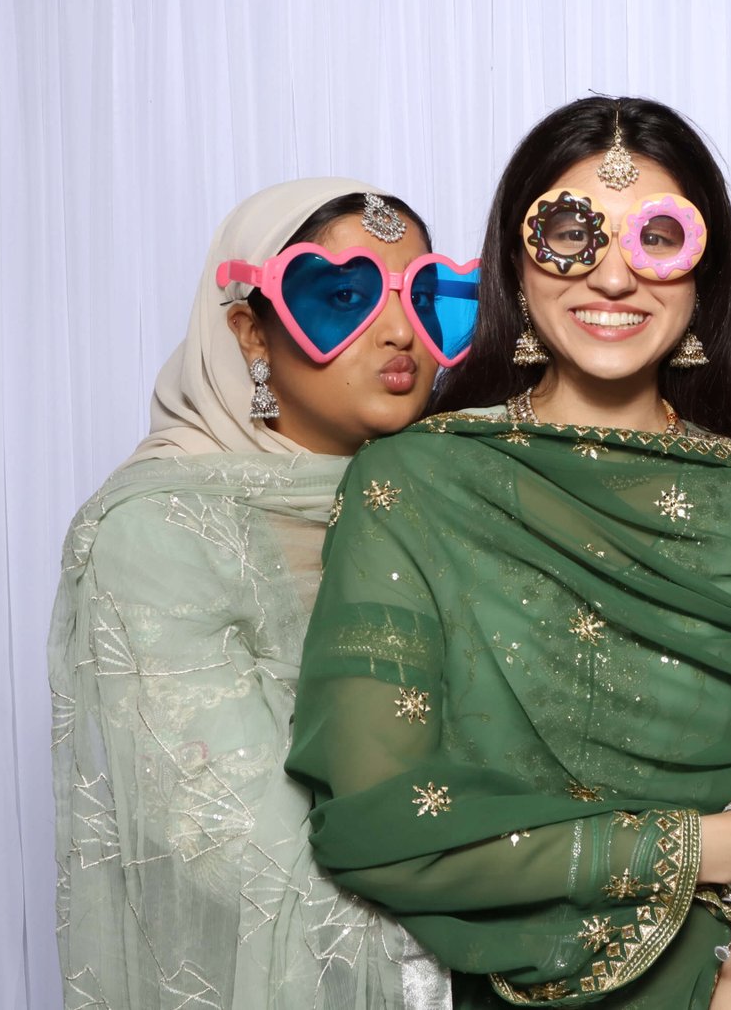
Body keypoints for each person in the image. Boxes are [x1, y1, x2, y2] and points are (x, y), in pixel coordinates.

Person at [286, 97, 731, 1009]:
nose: (612, 278)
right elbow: (383, 824)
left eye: (658, 237)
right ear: (516, 267)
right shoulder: (418, 485)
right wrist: (718, 844)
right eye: (570, 233)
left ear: (703, 273)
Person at [50, 177, 479, 1008]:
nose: (400, 332)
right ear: (250, 329)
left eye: (429, 299)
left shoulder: (445, 498)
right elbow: (228, 840)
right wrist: (519, 919)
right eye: (344, 295)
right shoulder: (155, 529)